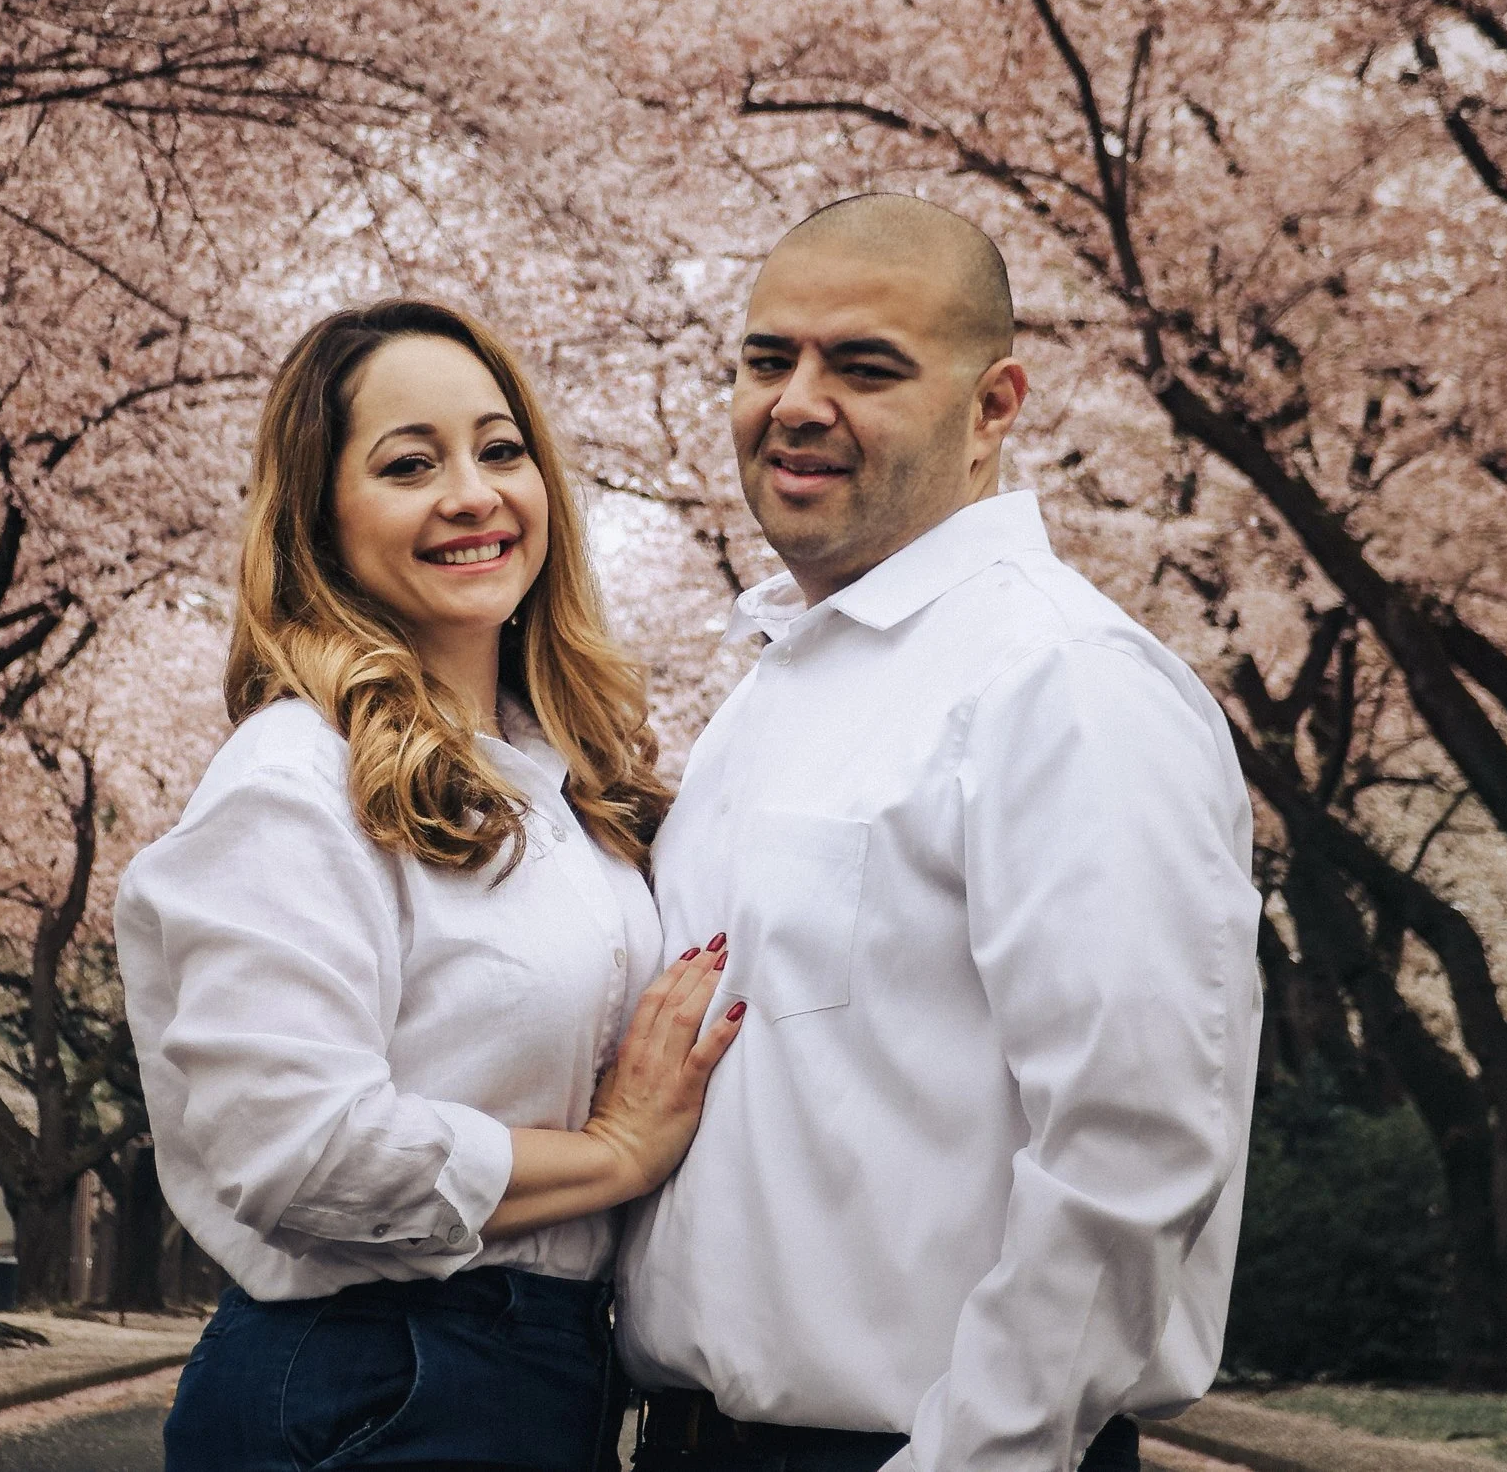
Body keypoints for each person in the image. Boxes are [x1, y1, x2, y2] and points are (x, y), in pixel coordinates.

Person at [617, 195, 1264, 1472]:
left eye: (865, 368)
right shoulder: (771, 693)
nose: (796, 403)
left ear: (995, 405)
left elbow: (1133, 1140)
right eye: (767, 359)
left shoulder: (1061, 683)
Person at [114, 299, 743, 1472]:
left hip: (541, 1376)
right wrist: (613, 1157)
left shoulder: (563, 791)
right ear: (317, 517)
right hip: (376, 1384)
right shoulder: (293, 779)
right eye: (410, 464)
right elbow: (296, 1150)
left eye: (500, 451)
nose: (472, 493)